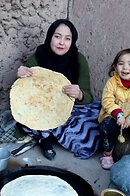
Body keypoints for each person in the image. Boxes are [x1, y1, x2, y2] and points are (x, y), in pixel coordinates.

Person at [16, 19, 101, 160]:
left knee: (98, 114)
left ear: (72, 41)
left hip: (69, 109)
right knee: (25, 116)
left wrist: (79, 94)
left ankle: (45, 133)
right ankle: (46, 138)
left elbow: (88, 97)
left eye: (67, 39)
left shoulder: (79, 60)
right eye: (57, 36)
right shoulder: (37, 58)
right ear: (50, 37)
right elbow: (23, 95)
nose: (62, 43)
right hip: (41, 108)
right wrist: (20, 76)